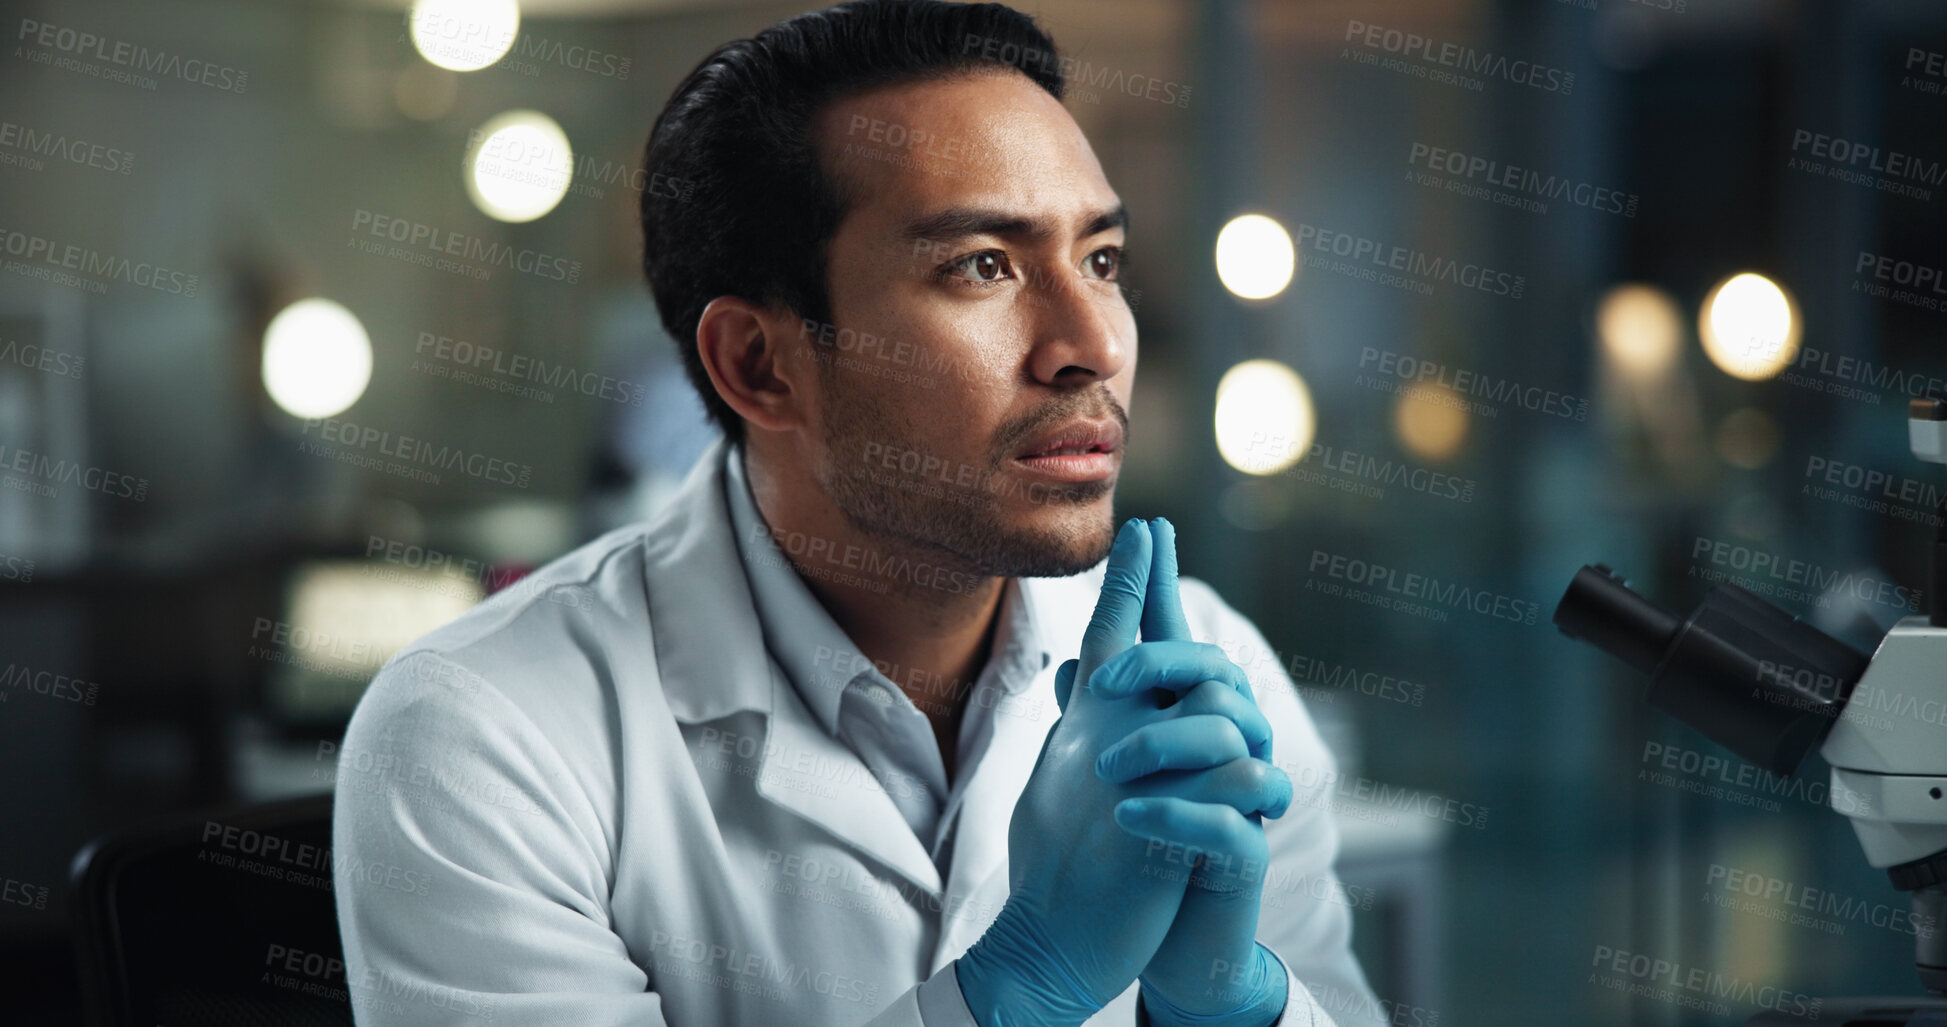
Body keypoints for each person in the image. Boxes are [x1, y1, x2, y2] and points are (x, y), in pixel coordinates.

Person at [331, 2, 1382, 1024]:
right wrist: (1015, 988)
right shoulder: (478, 732)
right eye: (983, 267)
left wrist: (1237, 1012)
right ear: (759, 364)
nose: (1093, 345)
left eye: (1100, 259)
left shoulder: (1209, 675)